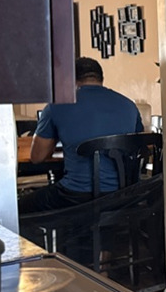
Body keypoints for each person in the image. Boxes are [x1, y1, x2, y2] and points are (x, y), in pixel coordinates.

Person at [18, 57, 144, 213]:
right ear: (101, 79)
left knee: (19, 208)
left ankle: (61, 235)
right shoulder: (129, 105)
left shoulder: (56, 106)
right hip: (124, 194)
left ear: (71, 79)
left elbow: (37, 157)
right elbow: (137, 143)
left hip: (75, 195)